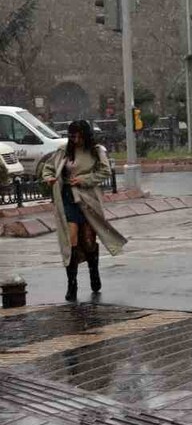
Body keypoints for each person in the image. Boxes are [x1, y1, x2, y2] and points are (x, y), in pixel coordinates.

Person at [38, 120, 127, 301]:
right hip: (67, 199)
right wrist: (49, 178)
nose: (76, 140)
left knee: (87, 240)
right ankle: (72, 284)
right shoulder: (63, 150)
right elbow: (48, 168)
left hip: (88, 200)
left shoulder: (96, 151)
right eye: (73, 136)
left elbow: (105, 172)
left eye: (79, 136)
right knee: (70, 239)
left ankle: (94, 272)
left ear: (86, 136)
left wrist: (84, 179)